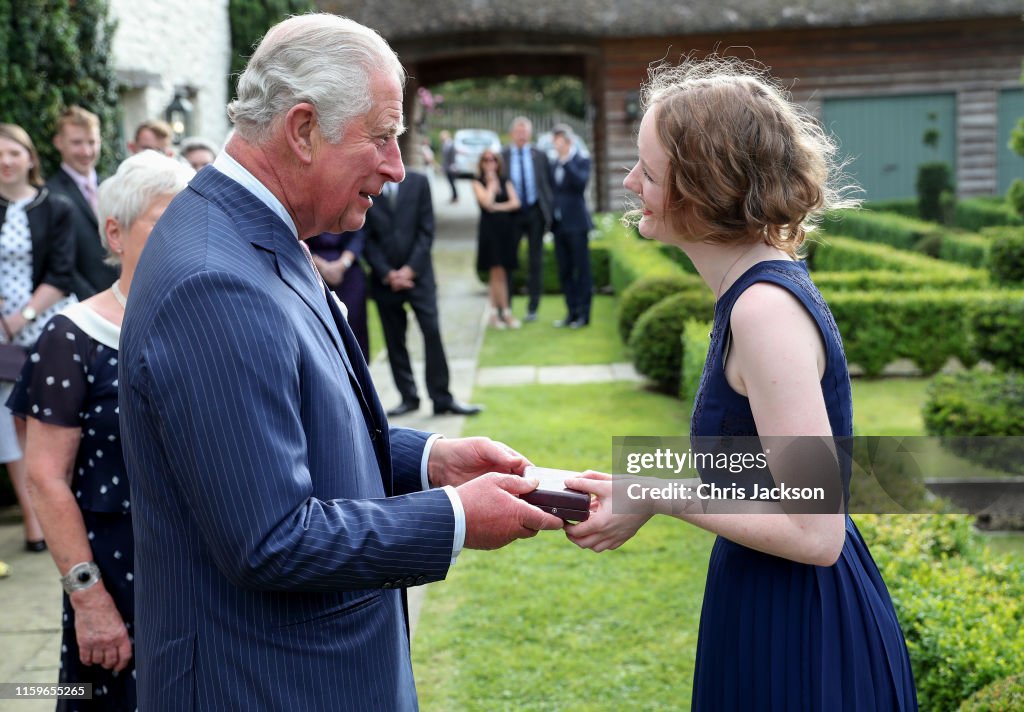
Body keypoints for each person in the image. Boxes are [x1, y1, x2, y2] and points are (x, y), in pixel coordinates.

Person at [117, 14, 563, 710]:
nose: (397, 165)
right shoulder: (215, 279)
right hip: (267, 685)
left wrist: (430, 461)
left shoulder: (263, 227)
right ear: (302, 129)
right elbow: (268, 537)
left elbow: (295, 427)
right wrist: (453, 517)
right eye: (382, 136)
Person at [564, 58, 918, 710]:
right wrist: (633, 481)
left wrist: (653, 491)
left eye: (648, 169)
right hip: (766, 599)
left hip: (798, 627)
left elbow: (816, 531)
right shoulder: (752, 293)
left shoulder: (764, 310)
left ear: (702, 187)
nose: (629, 181)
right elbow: (754, 470)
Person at [8, 151, 194, 711]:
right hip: (117, 576)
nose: (185, 236)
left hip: (204, 572)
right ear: (115, 232)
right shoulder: (73, 336)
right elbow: (44, 478)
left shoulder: (209, 320)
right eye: (167, 220)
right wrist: (88, 599)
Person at [0, 123, 77, 553]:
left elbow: (61, 272)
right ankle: (33, 522)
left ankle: (58, 511)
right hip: (1, 337)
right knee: (11, 424)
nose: (5, 162)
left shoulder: (56, 206)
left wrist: (21, 315)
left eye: (12, 153)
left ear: (30, 158)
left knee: (51, 421)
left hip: (46, 324)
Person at [364, 172, 483, 416]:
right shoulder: (366, 182)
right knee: (394, 339)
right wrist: (387, 273)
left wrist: (410, 270)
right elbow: (364, 236)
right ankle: (408, 397)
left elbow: (427, 229)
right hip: (385, 280)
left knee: (431, 331)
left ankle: (442, 398)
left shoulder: (419, 182)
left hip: (420, 276)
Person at [47, 106, 118, 300]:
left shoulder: (113, 186)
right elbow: (60, 263)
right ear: (58, 142)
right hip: (84, 305)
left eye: (92, 142)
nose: (86, 151)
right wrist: (95, 303)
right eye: (77, 143)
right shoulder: (49, 194)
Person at [502, 116, 552, 322]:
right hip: (511, 214)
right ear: (512, 134)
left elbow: (547, 184)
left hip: (534, 212)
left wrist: (549, 209)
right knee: (508, 261)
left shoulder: (539, 155)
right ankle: (507, 307)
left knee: (535, 261)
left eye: (525, 132)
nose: (521, 135)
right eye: (518, 132)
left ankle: (533, 307)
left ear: (529, 134)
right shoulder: (502, 155)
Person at [548, 124, 594, 328]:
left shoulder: (581, 161)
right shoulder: (553, 163)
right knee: (564, 271)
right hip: (559, 225)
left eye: (561, 141)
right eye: (555, 141)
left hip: (577, 224)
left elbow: (580, 184)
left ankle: (584, 314)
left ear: (569, 142)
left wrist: (566, 161)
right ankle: (571, 312)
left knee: (581, 270)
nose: (557, 146)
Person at [472, 150, 521, 329]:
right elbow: (486, 202)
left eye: (493, 159)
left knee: (500, 273)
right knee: (497, 273)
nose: (490, 162)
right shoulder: (477, 182)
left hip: (505, 231)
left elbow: (516, 203)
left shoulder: (505, 180)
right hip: (489, 232)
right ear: (482, 163)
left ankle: (494, 313)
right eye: (486, 160)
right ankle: (505, 312)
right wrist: (491, 185)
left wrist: (498, 207)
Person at [308, 228, 371, 360]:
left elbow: (359, 234)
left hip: (348, 268)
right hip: (312, 267)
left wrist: (343, 264)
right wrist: (322, 266)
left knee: (355, 322)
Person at [440, 129, 458, 203]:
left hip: (451, 167)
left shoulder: (451, 144)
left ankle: (455, 196)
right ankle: (454, 196)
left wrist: (452, 165)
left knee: (452, 182)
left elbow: (453, 156)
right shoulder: (444, 145)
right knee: (450, 183)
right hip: (447, 166)